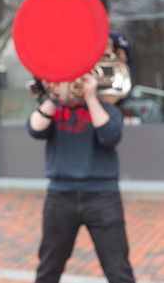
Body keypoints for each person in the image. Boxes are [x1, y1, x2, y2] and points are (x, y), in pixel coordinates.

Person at [28, 44, 135, 283]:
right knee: (48, 268)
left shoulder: (107, 107)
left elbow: (110, 136)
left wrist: (90, 97)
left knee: (118, 270)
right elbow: (34, 129)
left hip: (103, 197)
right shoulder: (53, 108)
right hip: (60, 196)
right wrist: (55, 96)